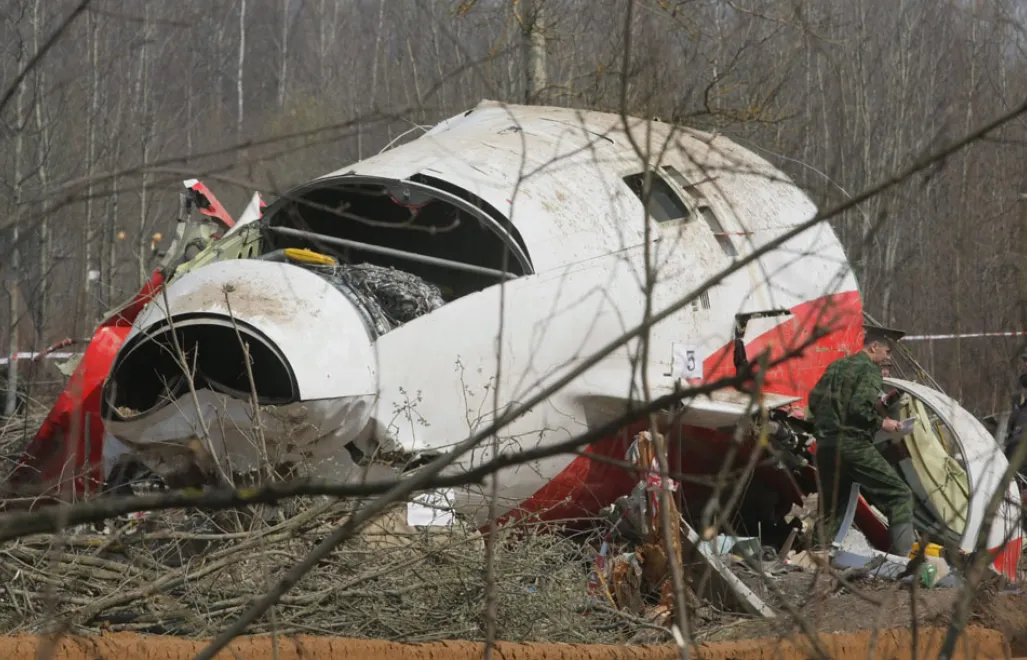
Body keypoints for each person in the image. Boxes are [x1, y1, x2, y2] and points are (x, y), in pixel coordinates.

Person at [807, 323, 916, 556]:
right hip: (852, 444)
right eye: (887, 352)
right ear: (874, 347)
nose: (888, 357)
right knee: (899, 494)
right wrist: (883, 423)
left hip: (825, 447)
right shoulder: (869, 370)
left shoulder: (836, 366)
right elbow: (859, 407)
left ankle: (817, 558)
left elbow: (814, 401)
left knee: (832, 506)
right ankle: (901, 561)